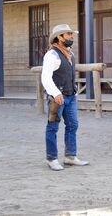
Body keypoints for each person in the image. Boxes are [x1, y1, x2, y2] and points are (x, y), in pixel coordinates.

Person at [41, 24, 89, 171]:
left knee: (72, 125)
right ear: (59, 37)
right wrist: (56, 93)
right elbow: (45, 77)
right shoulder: (52, 55)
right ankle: (52, 158)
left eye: (71, 34)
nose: (71, 37)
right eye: (68, 35)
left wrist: (73, 93)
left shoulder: (70, 54)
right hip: (57, 97)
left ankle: (70, 156)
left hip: (70, 95)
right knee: (52, 127)